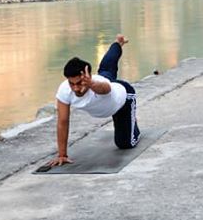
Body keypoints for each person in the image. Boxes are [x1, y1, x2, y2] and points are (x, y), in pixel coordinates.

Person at [49, 34, 140, 167]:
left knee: (125, 144)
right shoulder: (64, 90)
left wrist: (91, 84)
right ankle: (117, 43)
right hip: (105, 82)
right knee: (106, 68)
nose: (76, 88)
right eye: (71, 83)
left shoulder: (97, 84)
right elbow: (63, 122)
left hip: (124, 99)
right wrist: (62, 155)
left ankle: (132, 120)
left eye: (79, 83)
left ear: (88, 78)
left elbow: (105, 89)